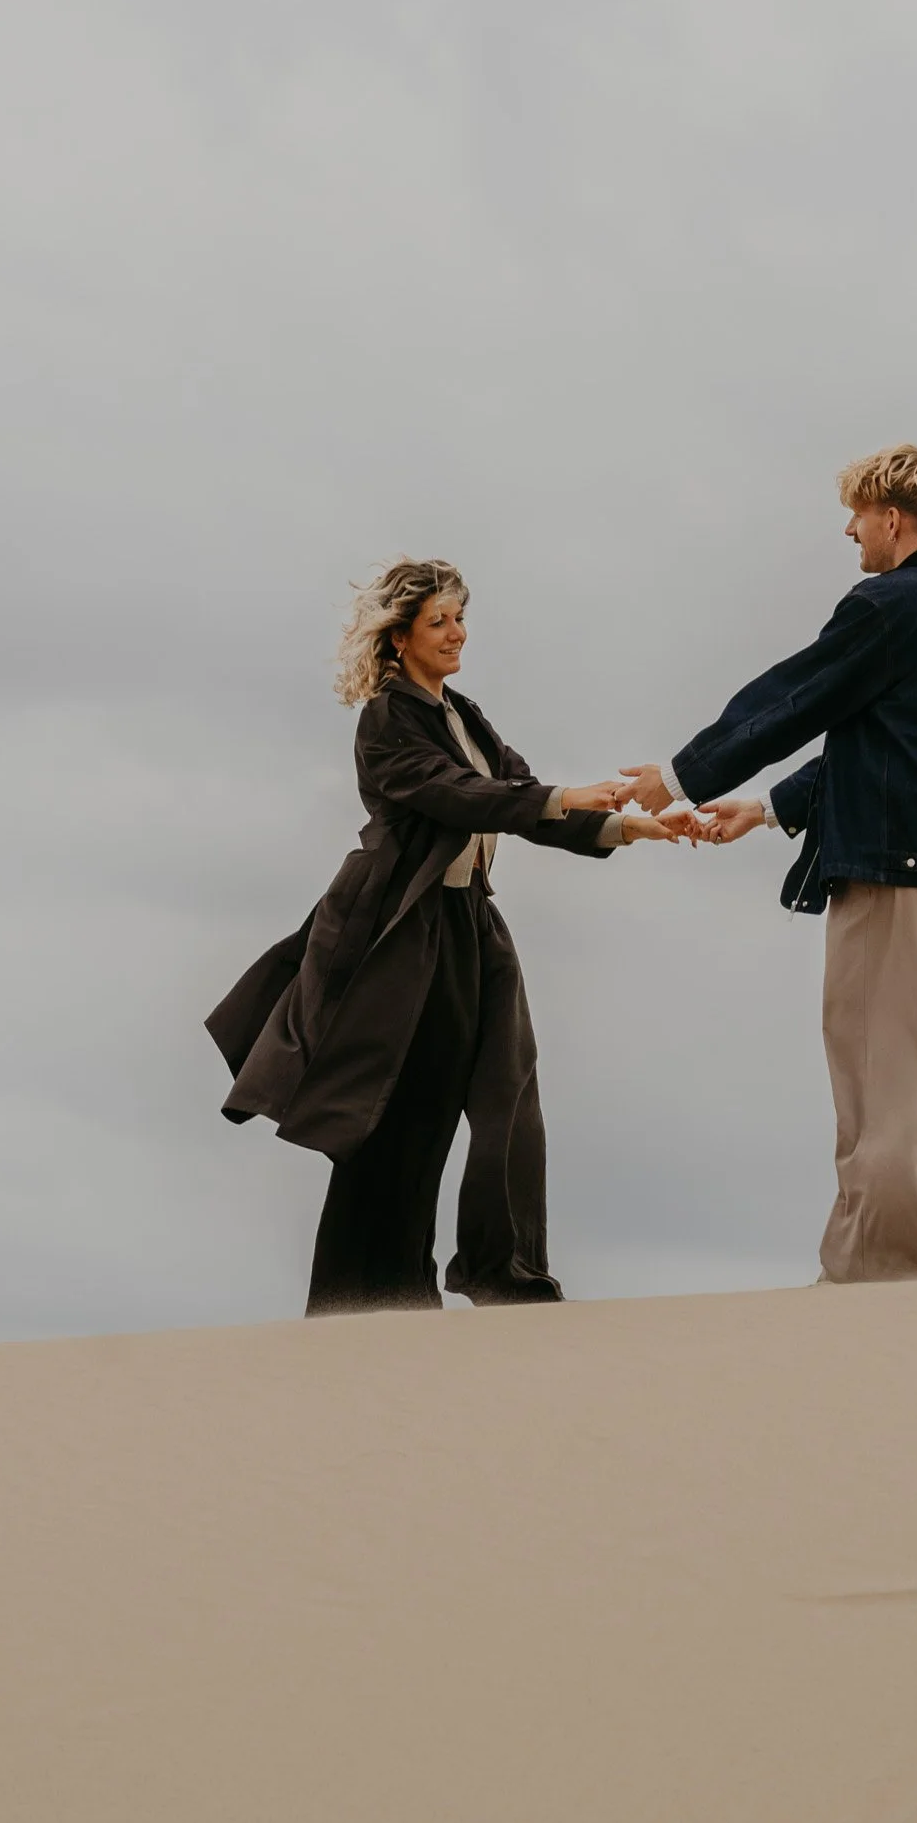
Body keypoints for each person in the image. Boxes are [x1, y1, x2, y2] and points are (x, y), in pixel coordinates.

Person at [207, 559, 682, 1315]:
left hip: (468, 924)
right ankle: (364, 1299)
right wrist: (558, 796)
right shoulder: (388, 719)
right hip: (398, 930)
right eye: (439, 621)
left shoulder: (463, 711)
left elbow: (516, 793)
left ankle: (508, 1276)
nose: (457, 633)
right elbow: (460, 795)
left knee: (509, 1089)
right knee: (396, 1117)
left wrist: (633, 825)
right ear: (399, 638)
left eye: (461, 617)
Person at [625, 445, 917, 1284]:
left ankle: (876, 1278)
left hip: (902, 872)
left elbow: (794, 698)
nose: (850, 531)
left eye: (856, 516)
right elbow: (901, 739)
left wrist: (680, 776)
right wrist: (770, 807)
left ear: (891, 517)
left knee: (886, 1084)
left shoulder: (888, 603)